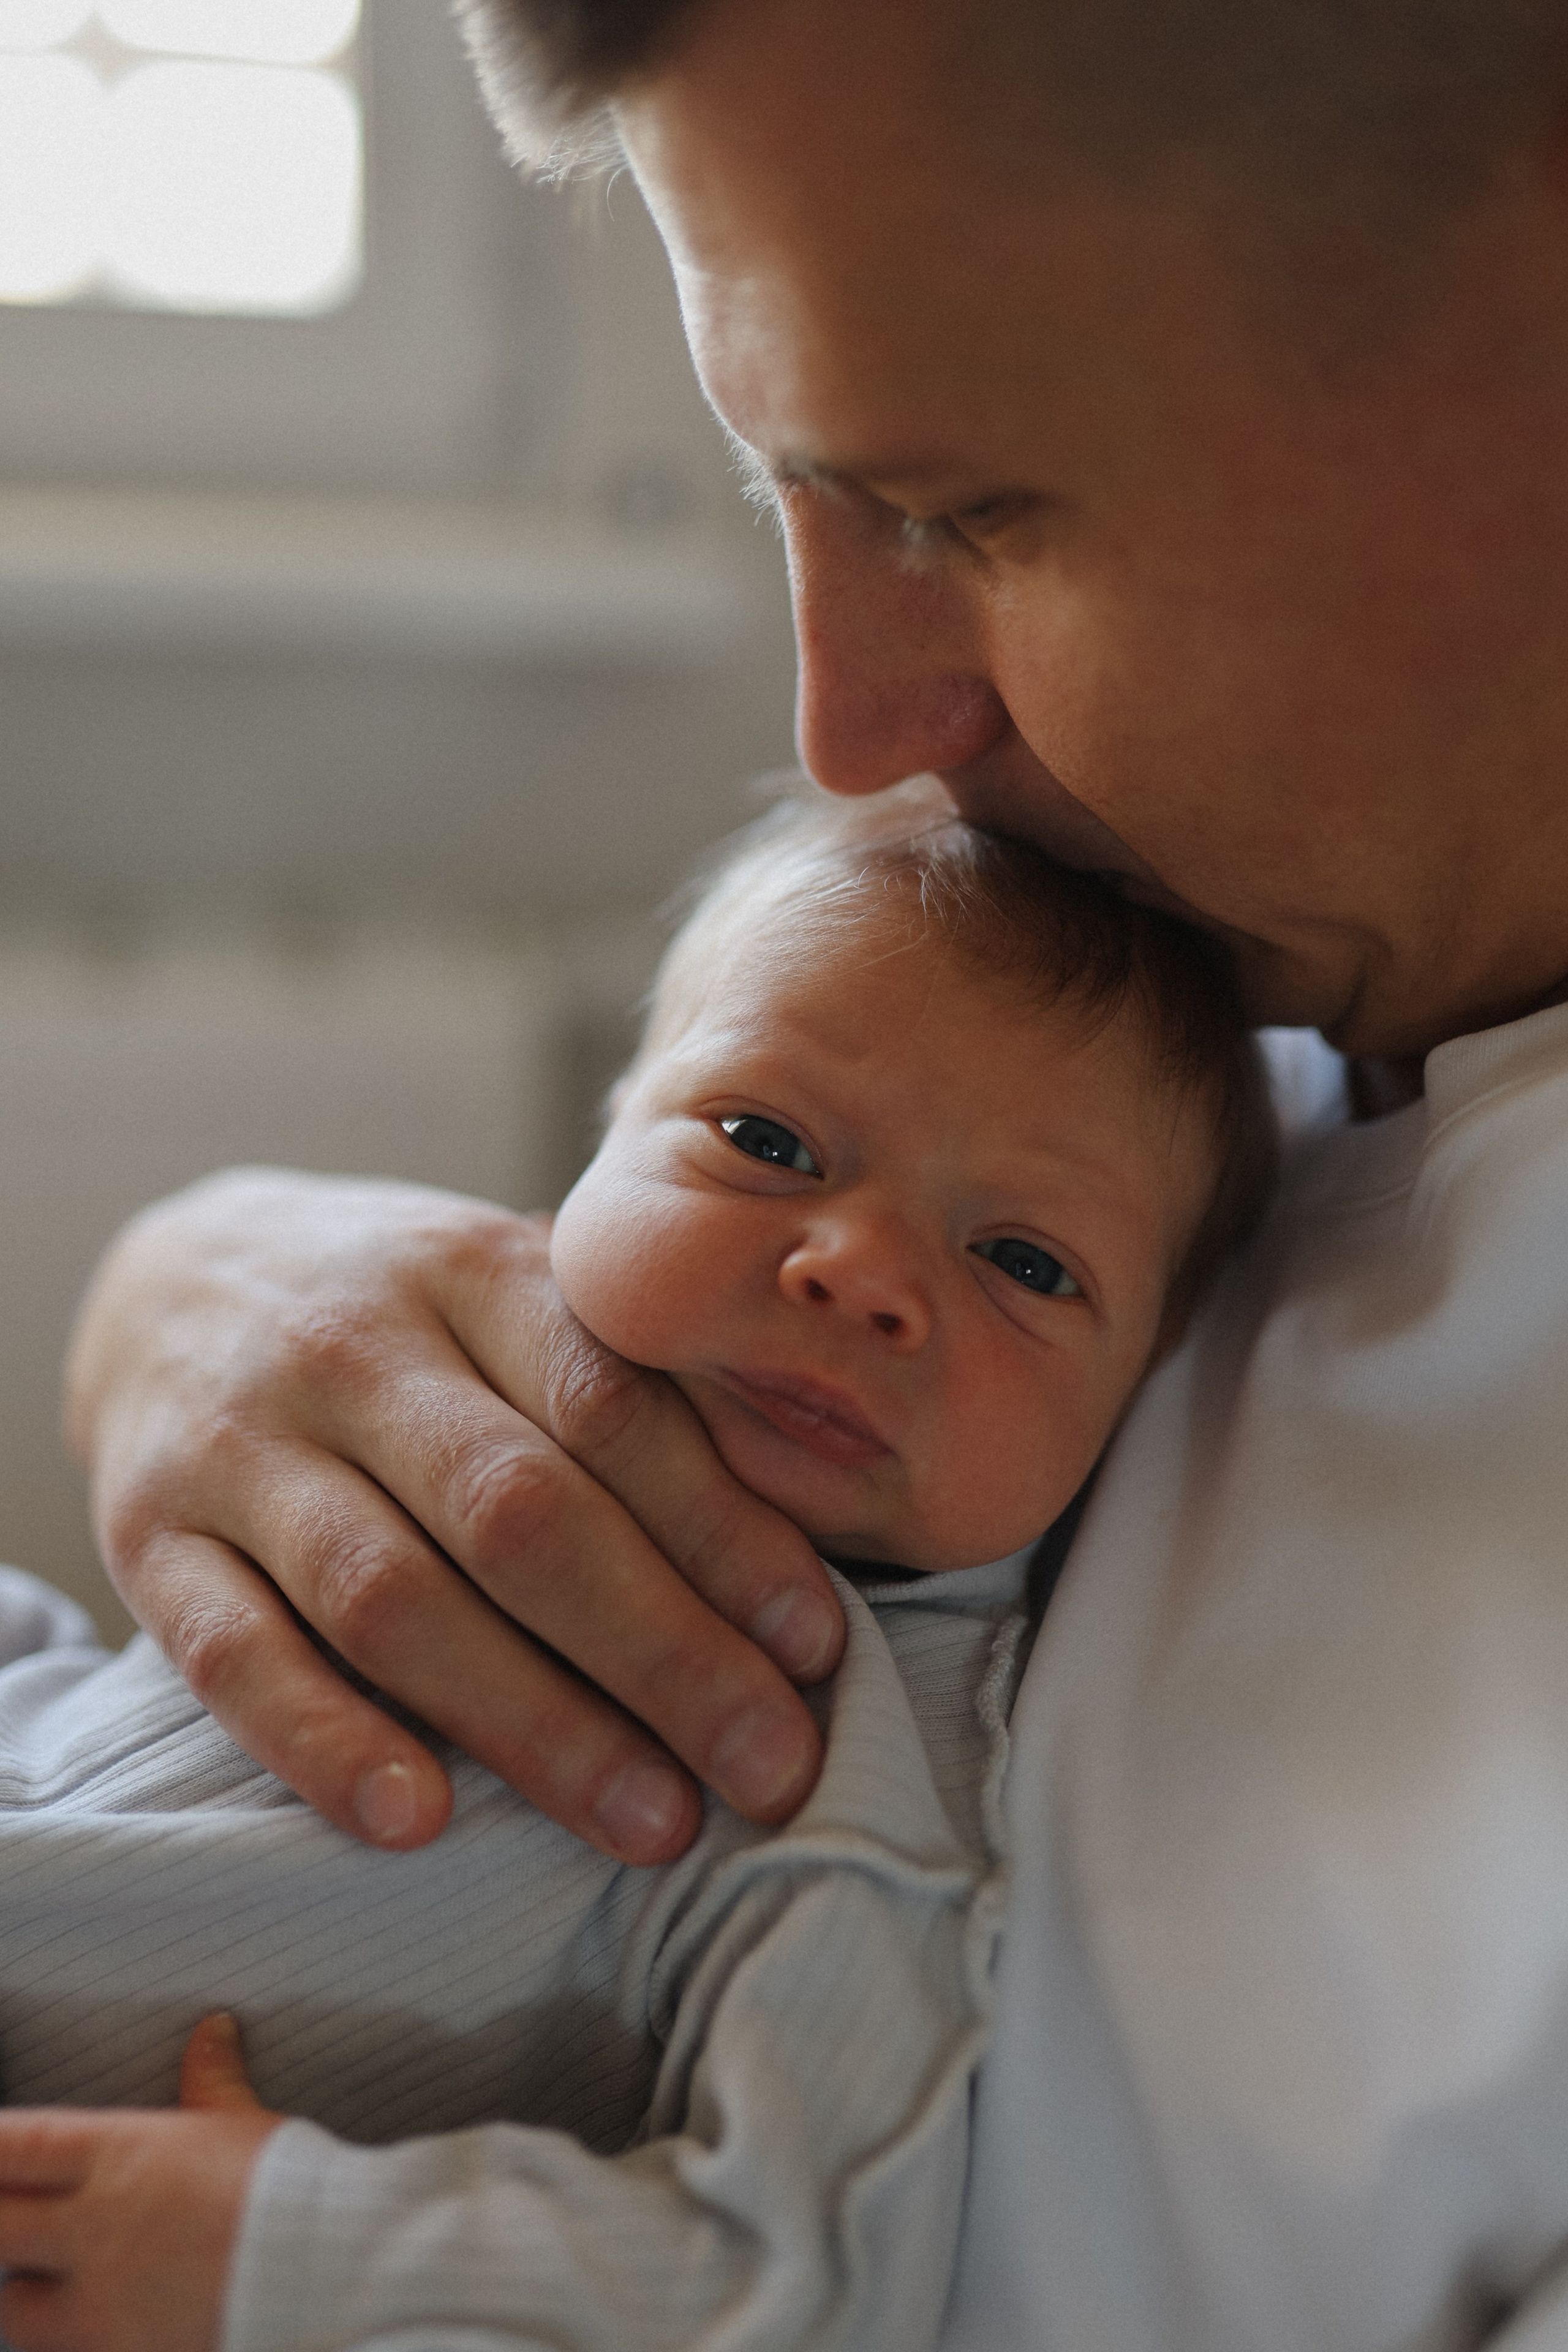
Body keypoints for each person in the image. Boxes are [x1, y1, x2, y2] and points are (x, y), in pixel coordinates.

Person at [51, 1, 1568, 2343]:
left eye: (962, 510)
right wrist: (202, 1290)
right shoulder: (1217, 1038)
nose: (848, 729)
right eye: (784, 491)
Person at [0, 783, 1273, 2352]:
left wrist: (294, 2248)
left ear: (1139, 1398)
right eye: (766, 1142)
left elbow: (799, 2281)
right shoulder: (447, 1361)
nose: (857, 1269)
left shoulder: (842, 1793)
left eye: (1021, 1261)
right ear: (605, 1135)